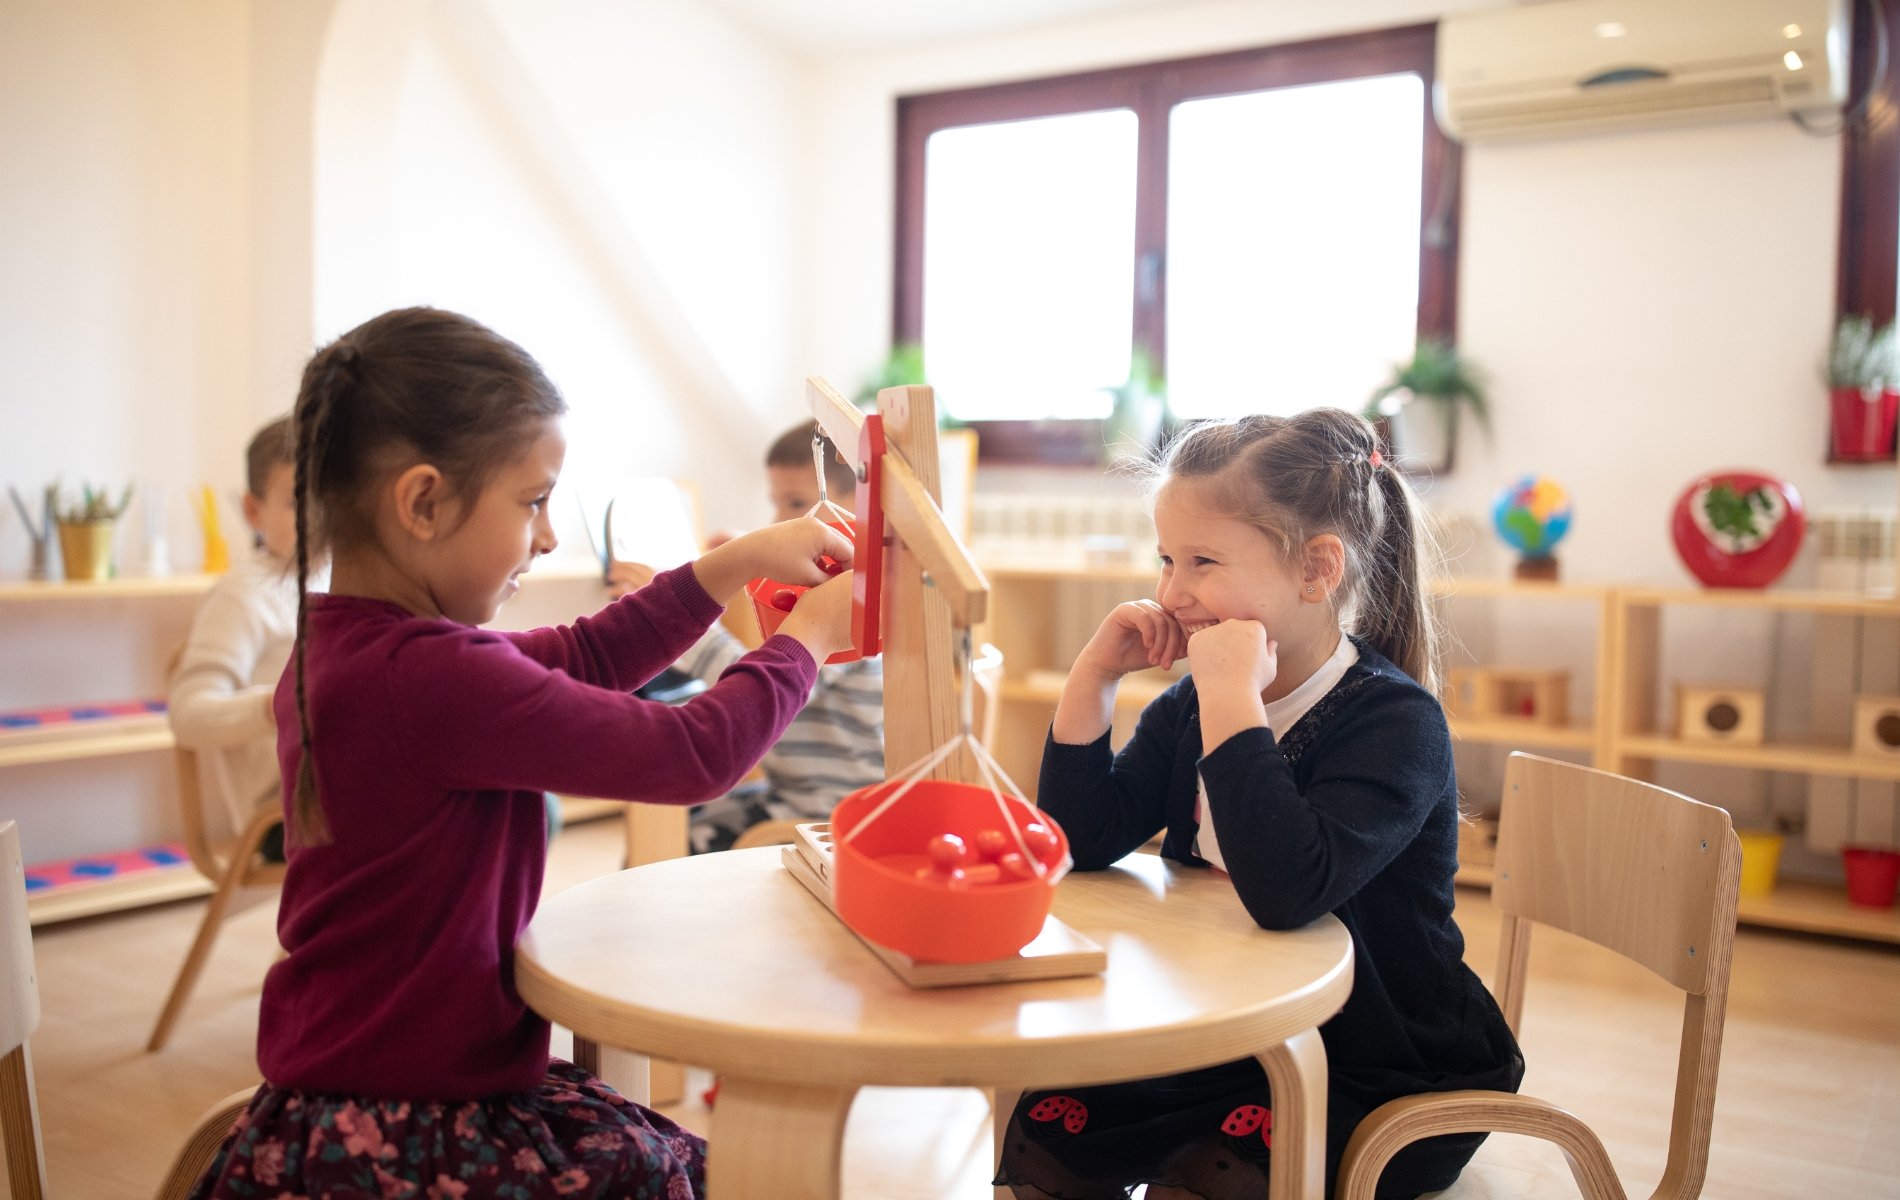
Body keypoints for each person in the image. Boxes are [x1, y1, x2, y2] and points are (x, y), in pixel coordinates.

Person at [186, 307, 855, 1200]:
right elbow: (694, 752)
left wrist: (727, 568)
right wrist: (807, 639)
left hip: (389, 1078)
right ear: (423, 503)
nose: (545, 538)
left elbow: (585, 655)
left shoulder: (363, 645)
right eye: (534, 503)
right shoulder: (424, 678)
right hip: (407, 1119)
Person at [994, 409, 1523, 1200]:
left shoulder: (1394, 723)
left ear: (1316, 570)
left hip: (1380, 1062)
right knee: (1044, 1134)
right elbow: (1081, 840)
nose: (1172, 592)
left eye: (1204, 561)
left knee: (1212, 1177)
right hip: (1227, 1029)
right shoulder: (1193, 702)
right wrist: (1093, 681)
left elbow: (1285, 890)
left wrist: (1230, 698)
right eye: (1166, 559)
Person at [608, 422, 884, 853]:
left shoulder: (851, 600)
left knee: (670, 835)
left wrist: (683, 623)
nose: (780, 522)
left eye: (796, 503)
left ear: (862, 503)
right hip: (796, 794)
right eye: (777, 504)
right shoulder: (851, 582)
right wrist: (741, 558)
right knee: (681, 812)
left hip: (828, 812)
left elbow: (761, 689)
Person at [168, 415, 312, 862]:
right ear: (253, 512)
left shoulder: (348, 580)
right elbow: (187, 714)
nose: (318, 514)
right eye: (296, 501)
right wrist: (272, 707)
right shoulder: (241, 596)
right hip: (283, 814)